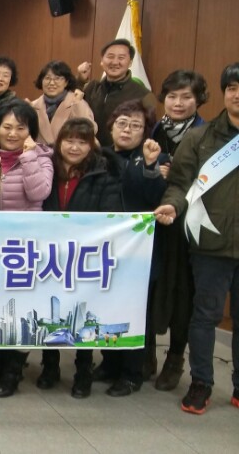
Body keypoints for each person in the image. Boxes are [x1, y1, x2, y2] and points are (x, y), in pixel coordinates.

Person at [155, 62, 239, 415]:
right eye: (233, 88)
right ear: (224, 93)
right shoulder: (200, 138)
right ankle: (201, 382)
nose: (237, 95)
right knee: (205, 316)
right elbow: (180, 184)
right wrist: (172, 206)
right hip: (211, 244)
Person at [39, 118, 124, 399]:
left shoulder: (102, 173)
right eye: (69, 140)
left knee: (83, 313)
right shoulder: (47, 168)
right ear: (59, 142)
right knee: (50, 311)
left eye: (82, 142)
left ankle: (83, 370)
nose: (74, 147)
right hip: (50, 253)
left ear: (91, 146)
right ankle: (49, 366)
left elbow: (111, 214)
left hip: (85, 255)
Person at [0, 99, 54, 397]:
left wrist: (29, 157)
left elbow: (40, 193)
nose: (12, 133)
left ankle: (13, 370)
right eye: (7, 127)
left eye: (20, 128)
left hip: (24, 247)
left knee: (22, 310)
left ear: (30, 132)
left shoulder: (42, 158)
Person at [95, 100, 167, 396]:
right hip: (103, 250)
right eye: (122, 123)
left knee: (135, 313)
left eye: (136, 125)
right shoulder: (97, 156)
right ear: (111, 126)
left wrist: (150, 167)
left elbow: (156, 197)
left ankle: (132, 373)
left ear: (145, 132)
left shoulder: (154, 158)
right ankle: (109, 363)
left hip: (138, 252)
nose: (127, 130)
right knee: (106, 307)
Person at [148, 70, 208, 391]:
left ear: (199, 100)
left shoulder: (207, 135)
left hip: (188, 226)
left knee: (183, 294)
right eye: (172, 96)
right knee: (150, 288)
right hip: (153, 222)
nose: (178, 103)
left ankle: (174, 359)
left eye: (186, 97)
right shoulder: (155, 129)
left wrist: (174, 177)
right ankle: (145, 355)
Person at [77, 39, 158, 147]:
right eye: (110, 57)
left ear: (130, 63)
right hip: (89, 152)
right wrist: (80, 81)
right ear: (102, 61)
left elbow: (149, 133)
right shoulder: (91, 88)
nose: (115, 62)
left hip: (123, 155)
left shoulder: (143, 95)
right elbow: (74, 111)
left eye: (121, 58)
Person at [31, 60, 95, 146]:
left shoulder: (77, 102)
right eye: (47, 78)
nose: (52, 83)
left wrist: (77, 105)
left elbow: (91, 129)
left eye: (57, 78)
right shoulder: (33, 106)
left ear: (66, 82)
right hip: (39, 153)